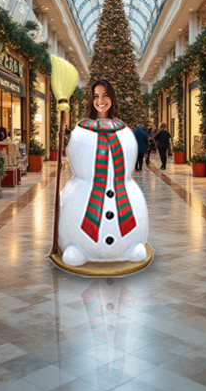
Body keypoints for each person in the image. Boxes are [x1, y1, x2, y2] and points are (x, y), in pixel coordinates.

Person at [56, 79, 149, 267]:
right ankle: (78, 247)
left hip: (122, 189)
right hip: (84, 190)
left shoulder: (123, 130)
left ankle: (131, 245)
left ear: (112, 99)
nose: (101, 100)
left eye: (105, 95)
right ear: (91, 100)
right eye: (96, 96)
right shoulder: (82, 130)